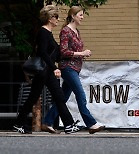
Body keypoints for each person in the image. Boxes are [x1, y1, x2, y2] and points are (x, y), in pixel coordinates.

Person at [13, 5, 81, 134]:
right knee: (35, 97)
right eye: (56, 17)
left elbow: (56, 53)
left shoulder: (48, 33)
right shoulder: (43, 32)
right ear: (50, 18)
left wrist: (76, 52)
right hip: (44, 70)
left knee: (58, 96)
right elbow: (43, 53)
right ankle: (19, 123)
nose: (58, 19)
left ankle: (68, 125)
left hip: (47, 71)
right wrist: (55, 68)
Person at [42, 6, 105, 134]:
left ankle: (47, 122)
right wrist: (82, 53)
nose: (82, 17)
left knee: (63, 98)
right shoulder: (66, 31)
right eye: (80, 15)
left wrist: (82, 55)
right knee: (81, 95)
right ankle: (91, 124)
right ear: (73, 16)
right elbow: (64, 52)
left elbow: (74, 51)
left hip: (75, 68)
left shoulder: (77, 31)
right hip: (67, 68)